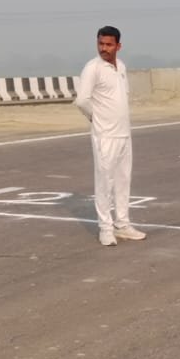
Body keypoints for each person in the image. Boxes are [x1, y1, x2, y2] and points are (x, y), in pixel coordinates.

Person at [74, 25, 146, 246]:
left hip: (124, 133)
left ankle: (122, 224)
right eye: (100, 43)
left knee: (123, 181)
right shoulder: (92, 68)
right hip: (105, 135)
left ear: (118, 46)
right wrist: (95, 118)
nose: (103, 48)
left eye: (108, 44)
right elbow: (82, 100)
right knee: (105, 182)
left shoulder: (120, 66)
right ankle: (105, 229)